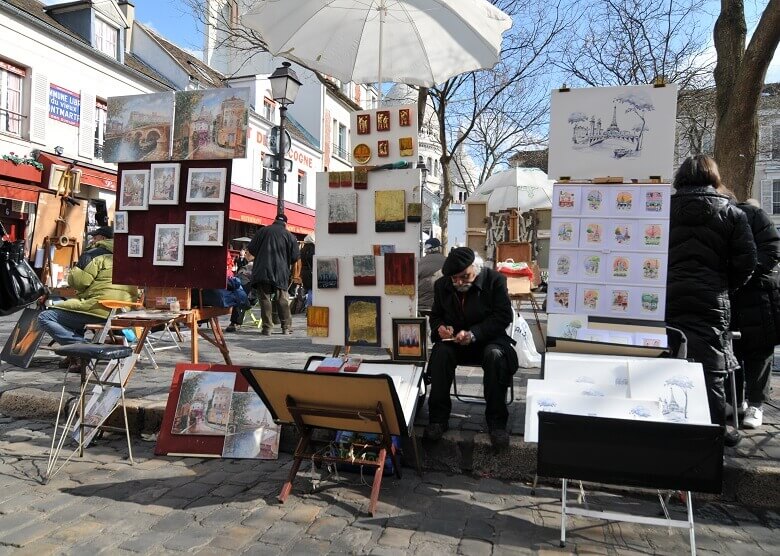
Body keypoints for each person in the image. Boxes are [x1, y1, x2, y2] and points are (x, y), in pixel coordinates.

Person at [666, 155, 756, 447]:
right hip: (711, 300)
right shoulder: (732, 214)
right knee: (712, 367)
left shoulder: (661, 209)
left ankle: (669, 424)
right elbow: (747, 262)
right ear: (713, 176)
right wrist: (723, 286)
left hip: (668, 296)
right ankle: (714, 430)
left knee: (668, 361)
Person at [425, 247, 518, 449]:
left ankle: (496, 423)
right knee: (440, 353)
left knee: (495, 356)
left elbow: (503, 316)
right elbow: (436, 315)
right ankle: (438, 420)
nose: (459, 282)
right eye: (454, 279)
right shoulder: (442, 285)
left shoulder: (495, 280)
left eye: (464, 277)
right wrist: (441, 328)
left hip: (488, 340)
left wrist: (474, 334)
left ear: (475, 268)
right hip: (455, 342)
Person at [38, 226, 139, 370]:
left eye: (95, 237)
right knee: (75, 312)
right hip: (121, 310)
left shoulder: (94, 254)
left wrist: (76, 269)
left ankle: (81, 349)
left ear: (103, 238)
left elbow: (78, 282)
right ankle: (74, 357)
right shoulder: (127, 256)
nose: (92, 240)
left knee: (45, 317)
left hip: (100, 308)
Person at [729, 199, 780, 429]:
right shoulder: (728, 215)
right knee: (734, 350)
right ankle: (737, 400)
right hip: (738, 293)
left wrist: (745, 272)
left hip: (757, 294)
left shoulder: (752, 215)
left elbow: (771, 249)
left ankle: (755, 403)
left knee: (758, 351)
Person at [248, 214, 300, 335]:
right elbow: (295, 257)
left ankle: (267, 328)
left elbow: (252, 249)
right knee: (282, 299)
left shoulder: (263, 231)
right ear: (285, 223)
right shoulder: (289, 236)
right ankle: (286, 327)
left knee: (264, 298)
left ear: (274, 220)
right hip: (280, 271)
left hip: (262, 269)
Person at [225, 254, 256, 333]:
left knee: (239, 294)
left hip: (249, 290)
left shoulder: (258, 265)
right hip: (240, 284)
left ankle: (234, 322)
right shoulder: (249, 265)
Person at [417, 238, 446, 314]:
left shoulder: (419, 262)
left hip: (422, 306)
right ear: (439, 248)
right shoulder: (447, 262)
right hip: (442, 306)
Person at [300, 234, 315, 308]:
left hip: (304, 271)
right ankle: (309, 307)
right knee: (312, 290)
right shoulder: (313, 249)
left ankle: (308, 307)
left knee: (308, 290)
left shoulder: (303, 249)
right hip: (311, 272)